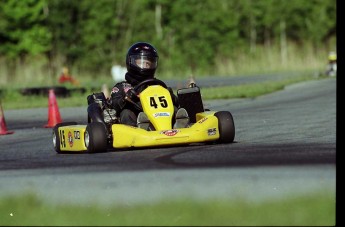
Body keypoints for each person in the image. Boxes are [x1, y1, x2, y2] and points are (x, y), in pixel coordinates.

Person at [87, 42, 189, 130]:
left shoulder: (157, 84)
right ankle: (141, 127)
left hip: (159, 117)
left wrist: (170, 95)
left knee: (175, 109)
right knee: (126, 113)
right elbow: (114, 106)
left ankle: (179, 125)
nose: (145, 67)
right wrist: (126, 99)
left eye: (148, 64)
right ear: (131, 62)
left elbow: (177, 103)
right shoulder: (122, 86)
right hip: (135, 120)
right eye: (141, 63)